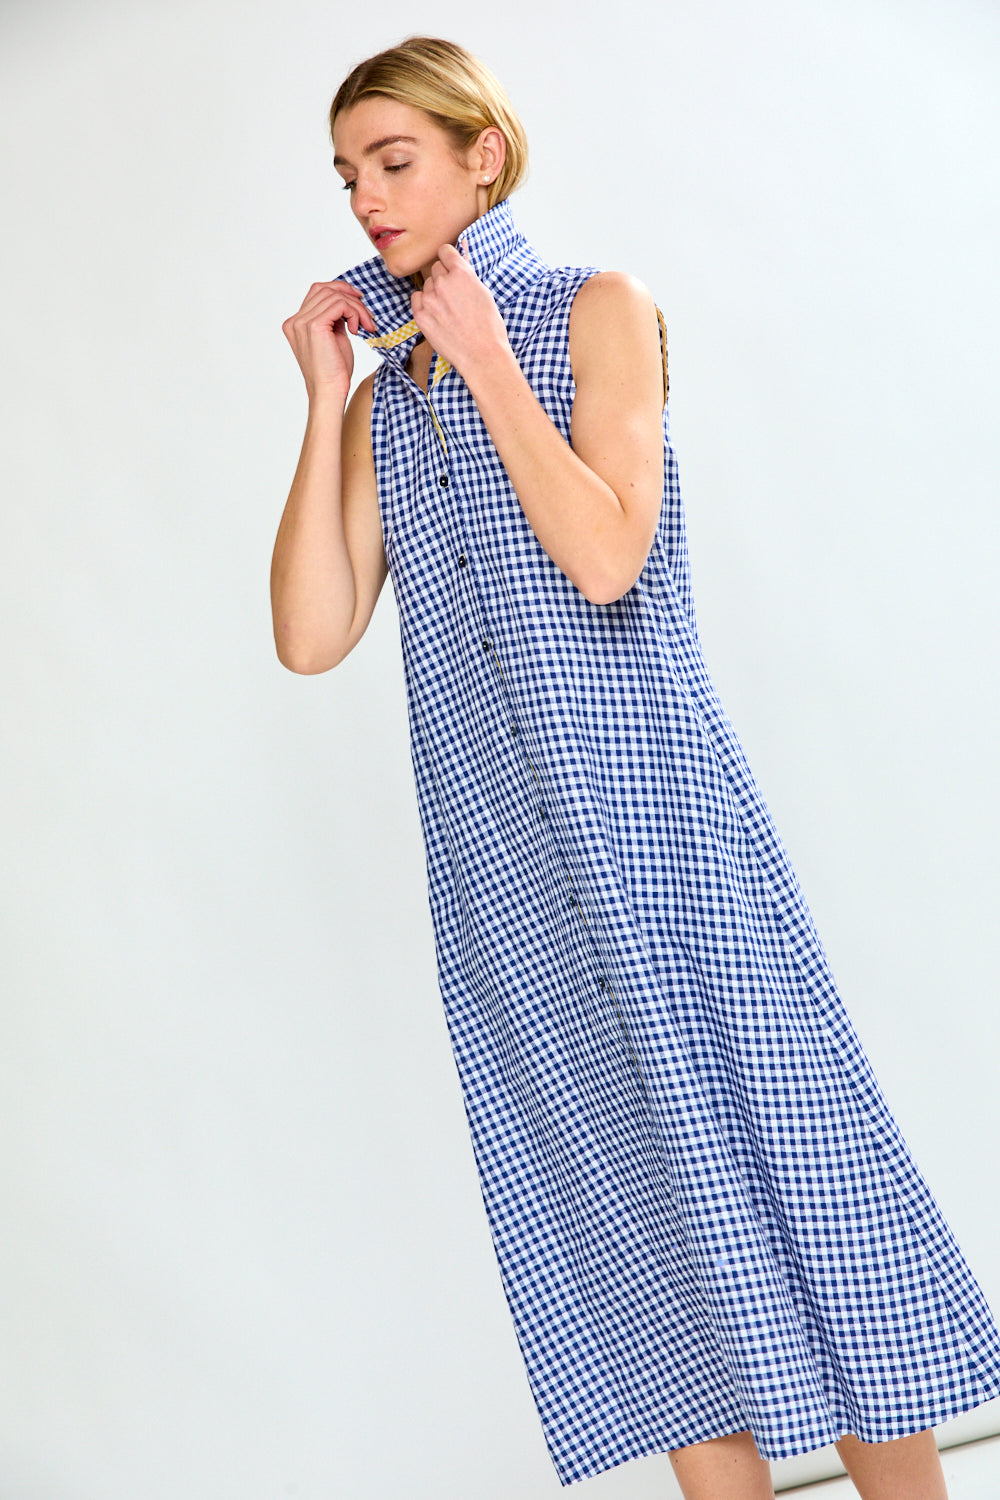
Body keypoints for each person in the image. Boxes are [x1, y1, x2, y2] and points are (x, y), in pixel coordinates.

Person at [271, 35, 1000, 1500]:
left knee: (804, 1186)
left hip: (667, 836)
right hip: (507, 882)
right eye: (348, 174)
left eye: (394, 161)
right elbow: (310, 633)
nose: (366, 198)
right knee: (624, 1229)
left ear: (485, 153)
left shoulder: (598, 310)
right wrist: (321, 398)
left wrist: (482, 361)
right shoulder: (379, 402)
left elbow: (608, 555)